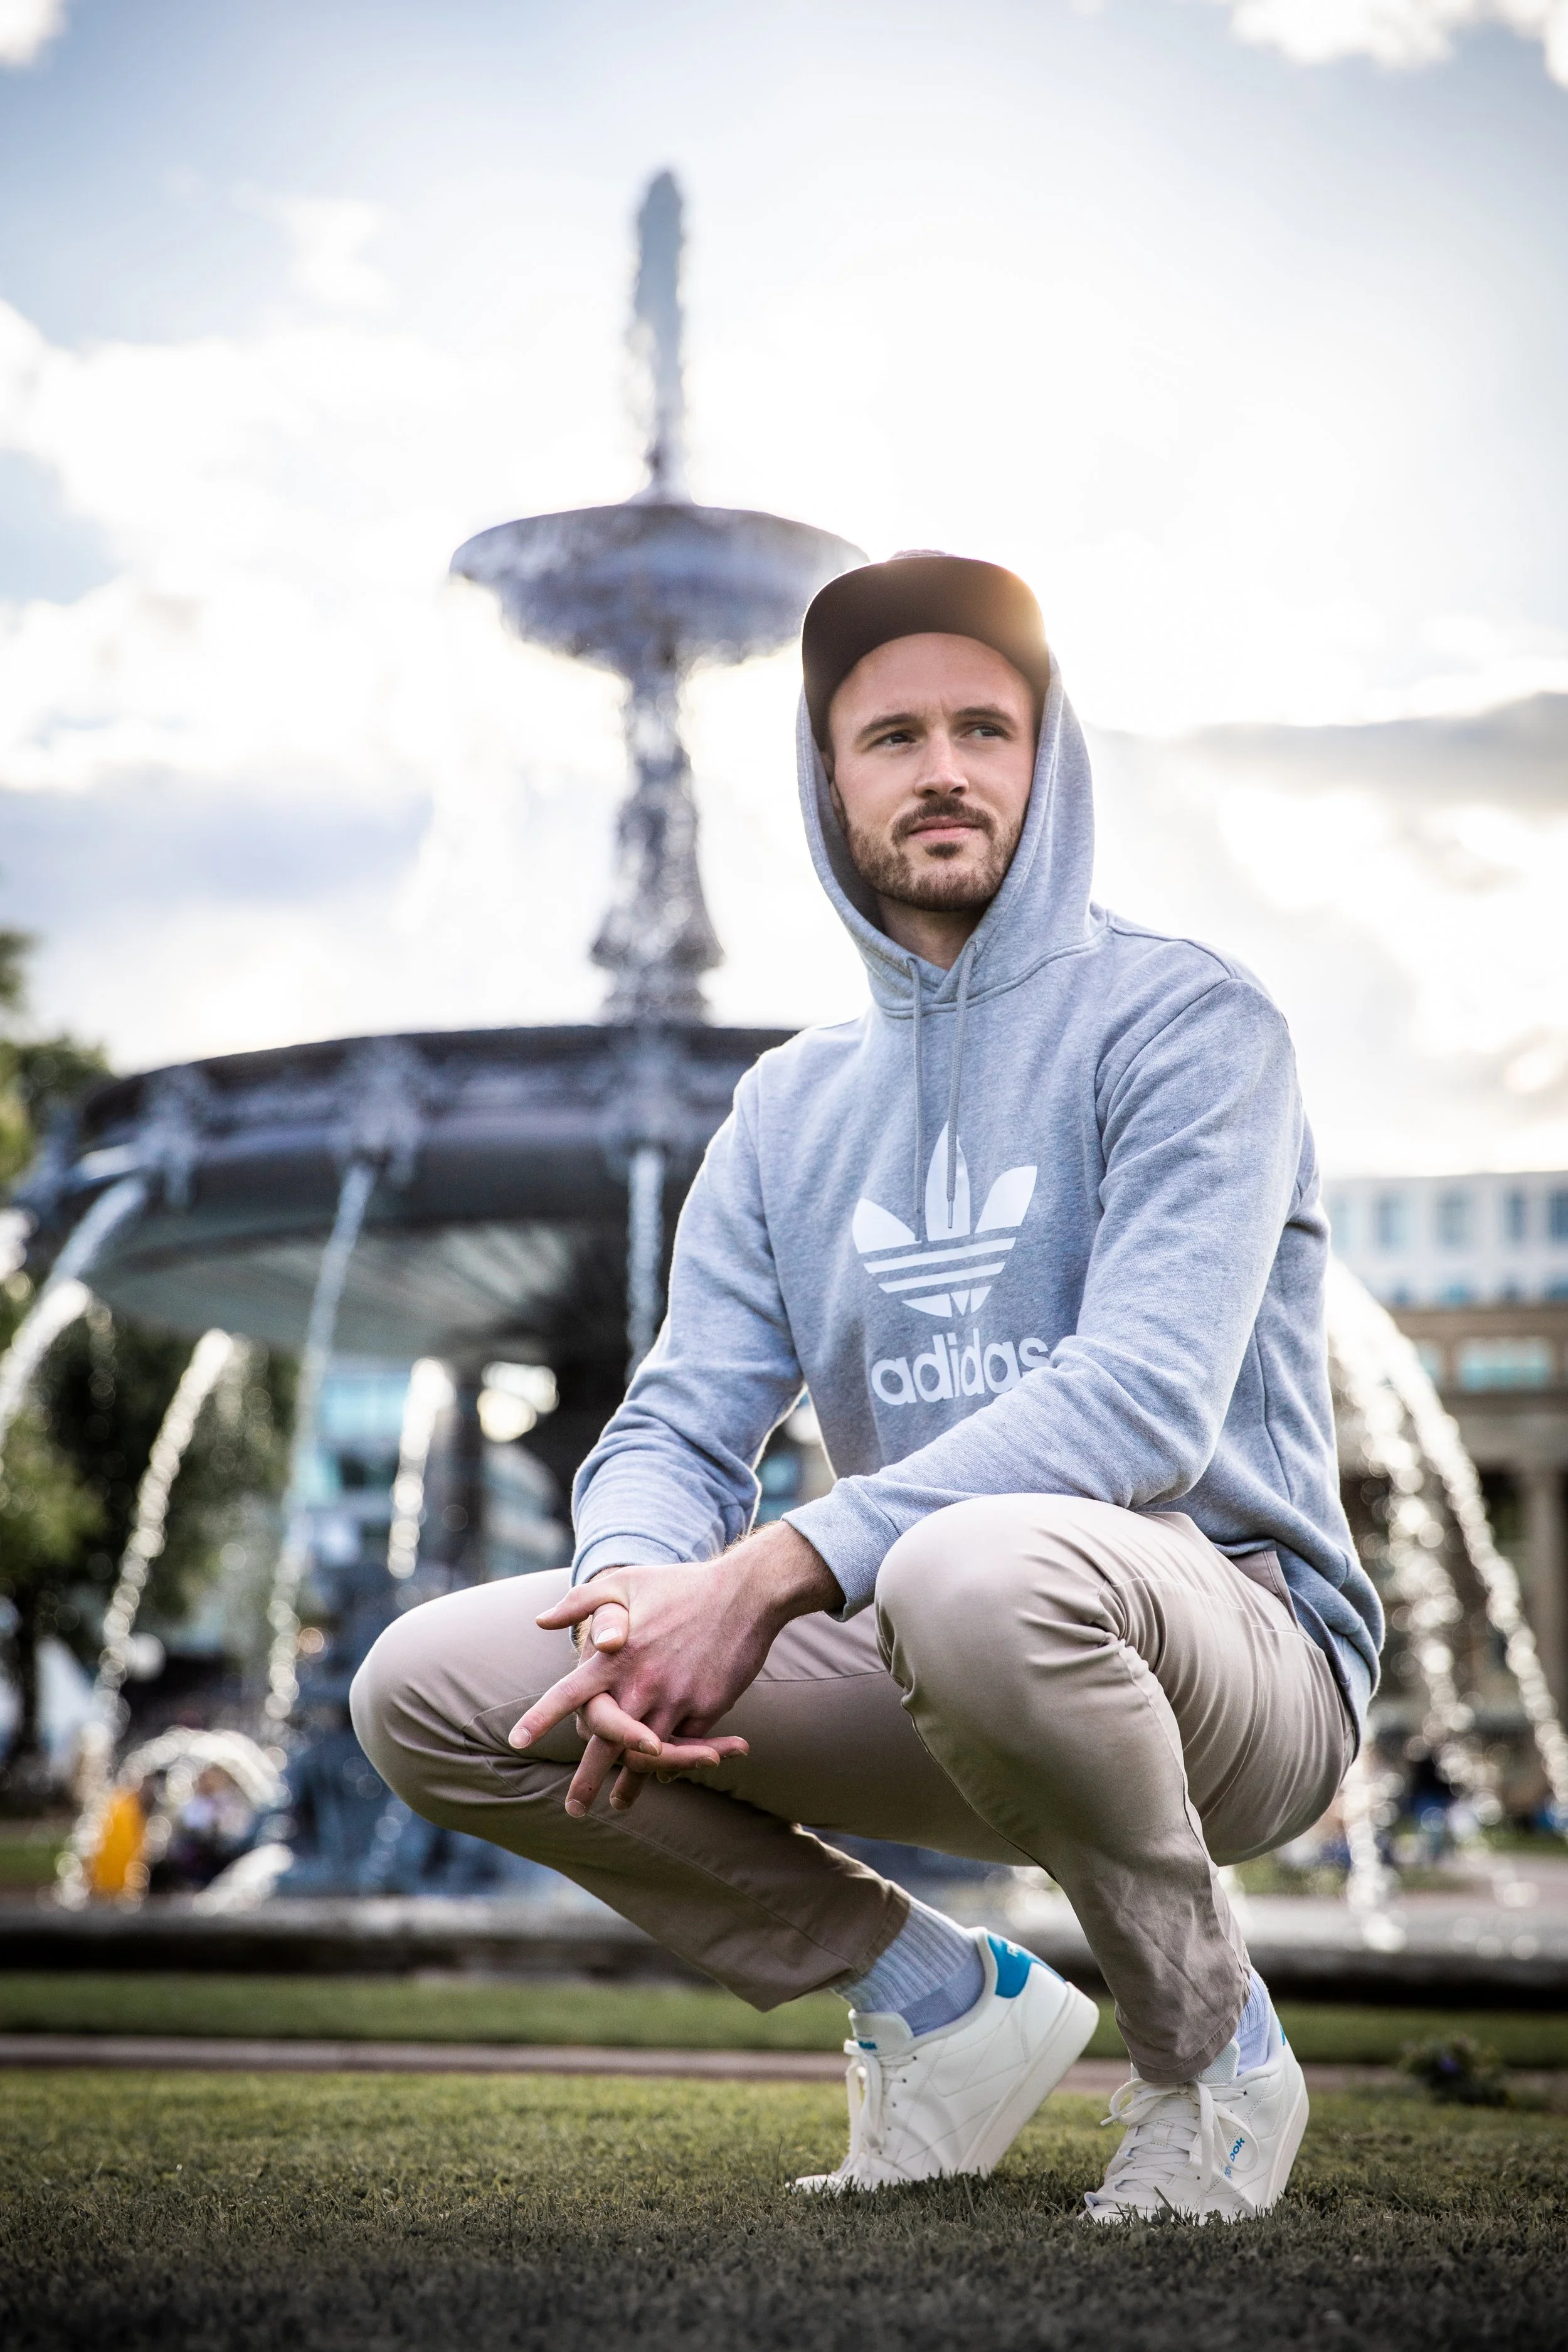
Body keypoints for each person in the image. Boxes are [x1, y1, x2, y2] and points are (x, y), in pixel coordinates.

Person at [353, 553, 1381, 2221]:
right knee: (438, 1685)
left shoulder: (1186, 1020)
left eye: (988, 726)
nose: (946, 770)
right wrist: (630, 1598)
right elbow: (679, 1423)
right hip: (934, 1639)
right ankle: (938, 2004)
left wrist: (766, 1569)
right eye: (891, 735)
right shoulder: (783, 1110)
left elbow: (1141, 1402)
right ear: (825, 782)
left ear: (1048, 760)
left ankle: (1208, 2051)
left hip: (1229, 1655)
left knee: (966, 1563)